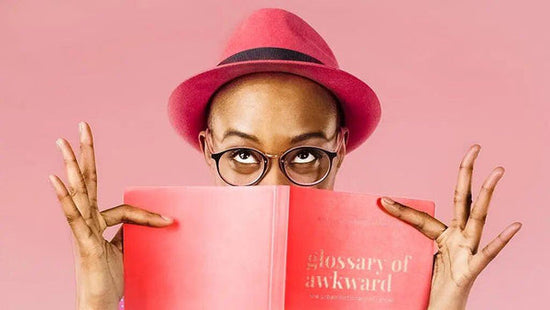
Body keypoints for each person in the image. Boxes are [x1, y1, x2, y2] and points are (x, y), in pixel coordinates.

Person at [47, 8, 522, 310]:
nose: (276, 188)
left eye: (307, 155)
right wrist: (97, 299)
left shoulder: (396, 286)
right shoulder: (144, 282)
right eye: (242, 156)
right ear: (207, 147)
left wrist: (443, 305)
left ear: (340, 146)